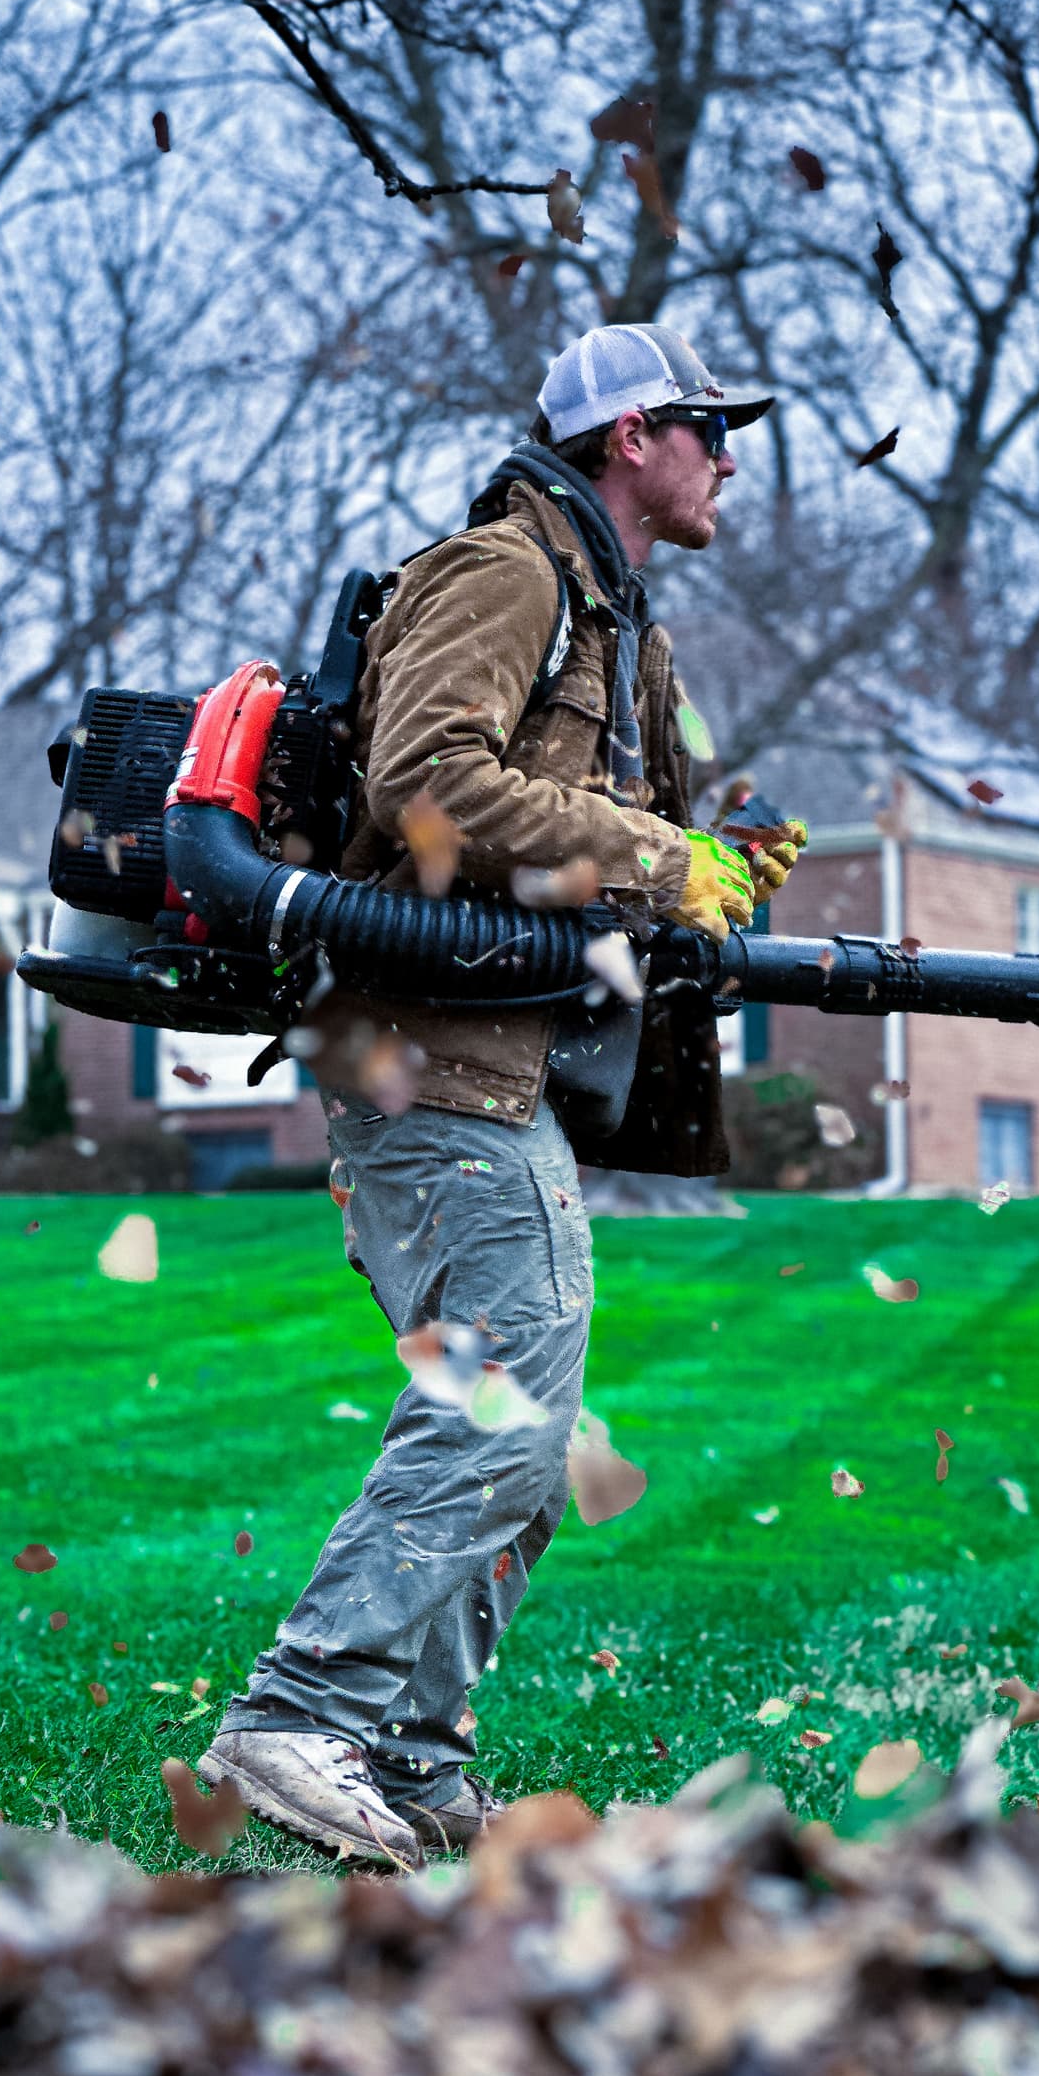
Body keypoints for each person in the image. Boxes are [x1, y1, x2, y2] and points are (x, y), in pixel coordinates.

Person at [200, 324, 807, 1868]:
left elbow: (590, 836)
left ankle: (402, 1755)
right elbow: (428, 790)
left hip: (492, 1059)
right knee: (503, 1415)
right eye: (705, 426)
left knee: (526, 1429)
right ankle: (301, 1716)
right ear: (628, 438)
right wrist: (663, 855)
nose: (729, 453)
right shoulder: (506, 571)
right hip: (420, 1061)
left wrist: (708, 863)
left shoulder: (615, 613)